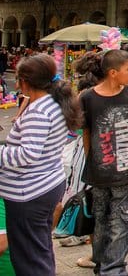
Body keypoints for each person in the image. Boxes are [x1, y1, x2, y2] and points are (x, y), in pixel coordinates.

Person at [0, 54, 83, 275]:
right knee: (39, 248)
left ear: (24, 81)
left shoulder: (39, 111)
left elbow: (28, 154)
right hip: (45, 184)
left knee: (28, 257)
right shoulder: (53, 103)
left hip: (29, 191)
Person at [78, 49, 128, 271]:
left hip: (126, 171)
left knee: (123, 221)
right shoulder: (88, 97)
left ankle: (114, 268)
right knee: (101, 218)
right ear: (112, 72)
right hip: (99, 173)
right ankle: (102, 262)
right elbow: (86, 132)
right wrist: (91, 160)